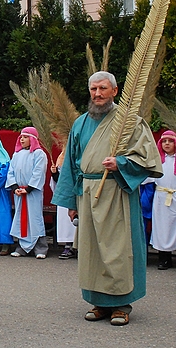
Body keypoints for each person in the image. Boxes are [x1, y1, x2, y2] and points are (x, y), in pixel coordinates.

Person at [52, 71, 162, 326]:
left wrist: (121, 163)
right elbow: (70, 164)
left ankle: (122, 304)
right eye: (93, 89)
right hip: (88, 193)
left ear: (114, 90)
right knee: (93, 251)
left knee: (117, 250)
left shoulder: (129, 122)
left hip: (116, 192)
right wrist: (71, 202)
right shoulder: (80, 123)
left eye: (103, 88)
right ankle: (99, 302)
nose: (97, 94)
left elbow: (147, 158)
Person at [6, 127, 48, 259]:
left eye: (25, 137)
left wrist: (29, 188)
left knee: (34, 218)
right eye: (21, 137)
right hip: (19, 192)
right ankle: (22, 247)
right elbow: (11, 171)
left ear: (33, 139)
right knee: (20, 218)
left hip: (32, 192)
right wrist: (15, 187)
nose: (22, 139)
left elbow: (38, 172)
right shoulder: (16, 155)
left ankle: (40, 247)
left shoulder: (39, 154)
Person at [151, 130, 176, 270]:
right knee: (162, 228)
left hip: (175, 197)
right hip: (161, 199)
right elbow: (147, 177)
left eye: (170, 141)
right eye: (164, 141)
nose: (167, 144)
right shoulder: (158, 160)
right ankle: (164, 258)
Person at [50, 150, 78, 259]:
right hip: (65, 193)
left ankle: (79, 246)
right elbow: (58, 181)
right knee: (66, 222)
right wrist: (55, 173)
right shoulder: (61, 157)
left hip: (76, 191)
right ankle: (68, 245)